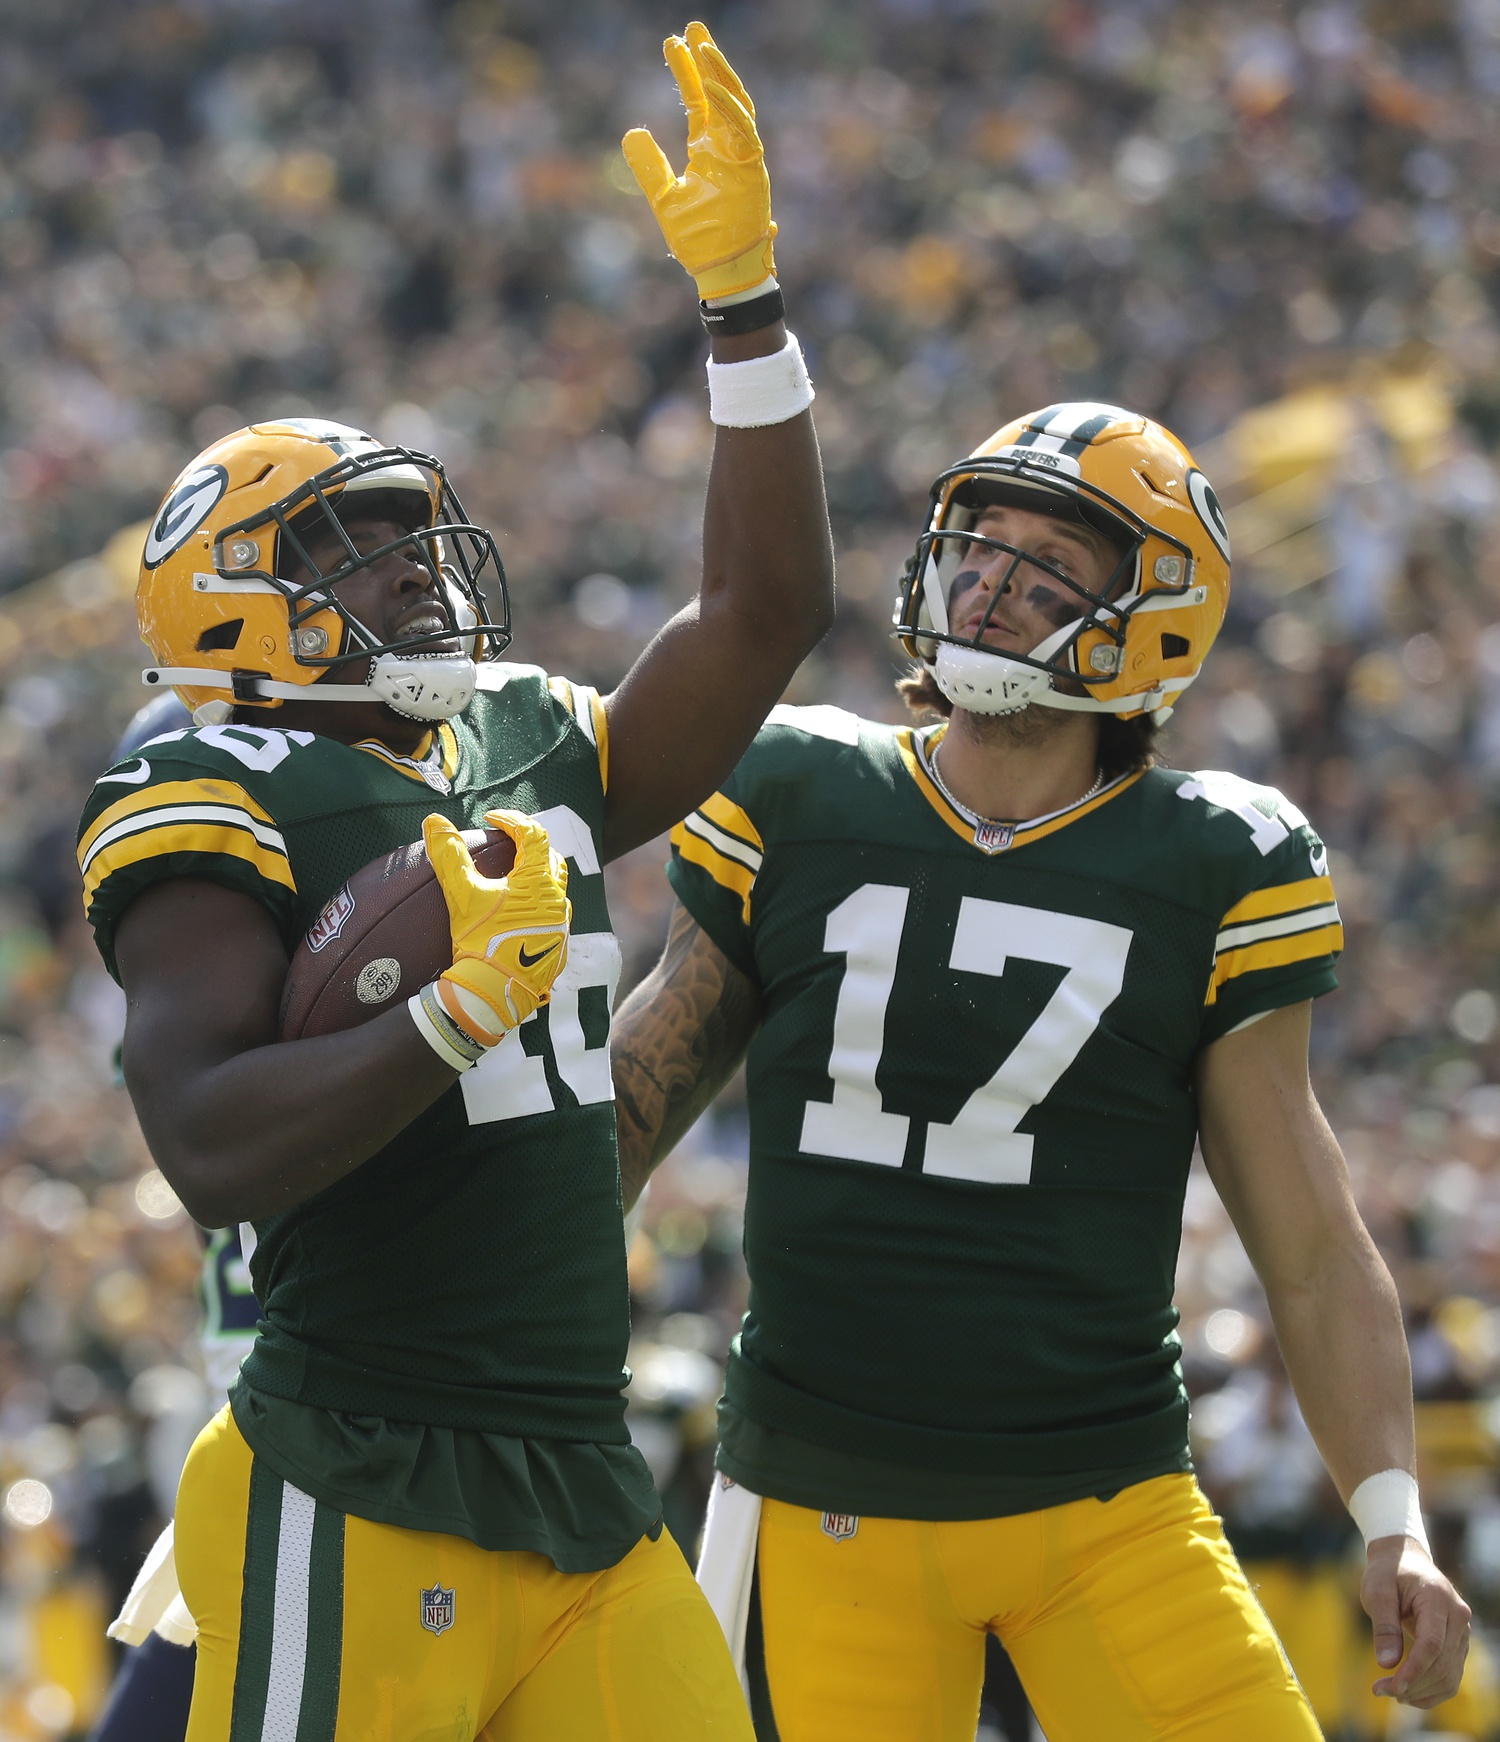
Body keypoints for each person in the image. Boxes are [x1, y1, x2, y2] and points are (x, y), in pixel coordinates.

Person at [75, 22, 833, 1740]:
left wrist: (744, 312)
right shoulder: (208, 780)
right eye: (349, 550)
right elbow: (204, 1148)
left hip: (574, 1461)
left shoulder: (524, 736)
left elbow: (760, 615)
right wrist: (452, 1016)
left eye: (414, 533)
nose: (413, 572)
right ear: (227, 610)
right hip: (359, 1449)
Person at [611, 401, 1473, 1741]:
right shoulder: (795, 782)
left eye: (1053, 557)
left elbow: (1305, 1237)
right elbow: (636, 1097)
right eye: (983, 538)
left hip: (1106, 1503)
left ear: (1158, 610)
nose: (994, 579)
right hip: (827, 1499)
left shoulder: (1220, 859)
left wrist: (1393, 1514)